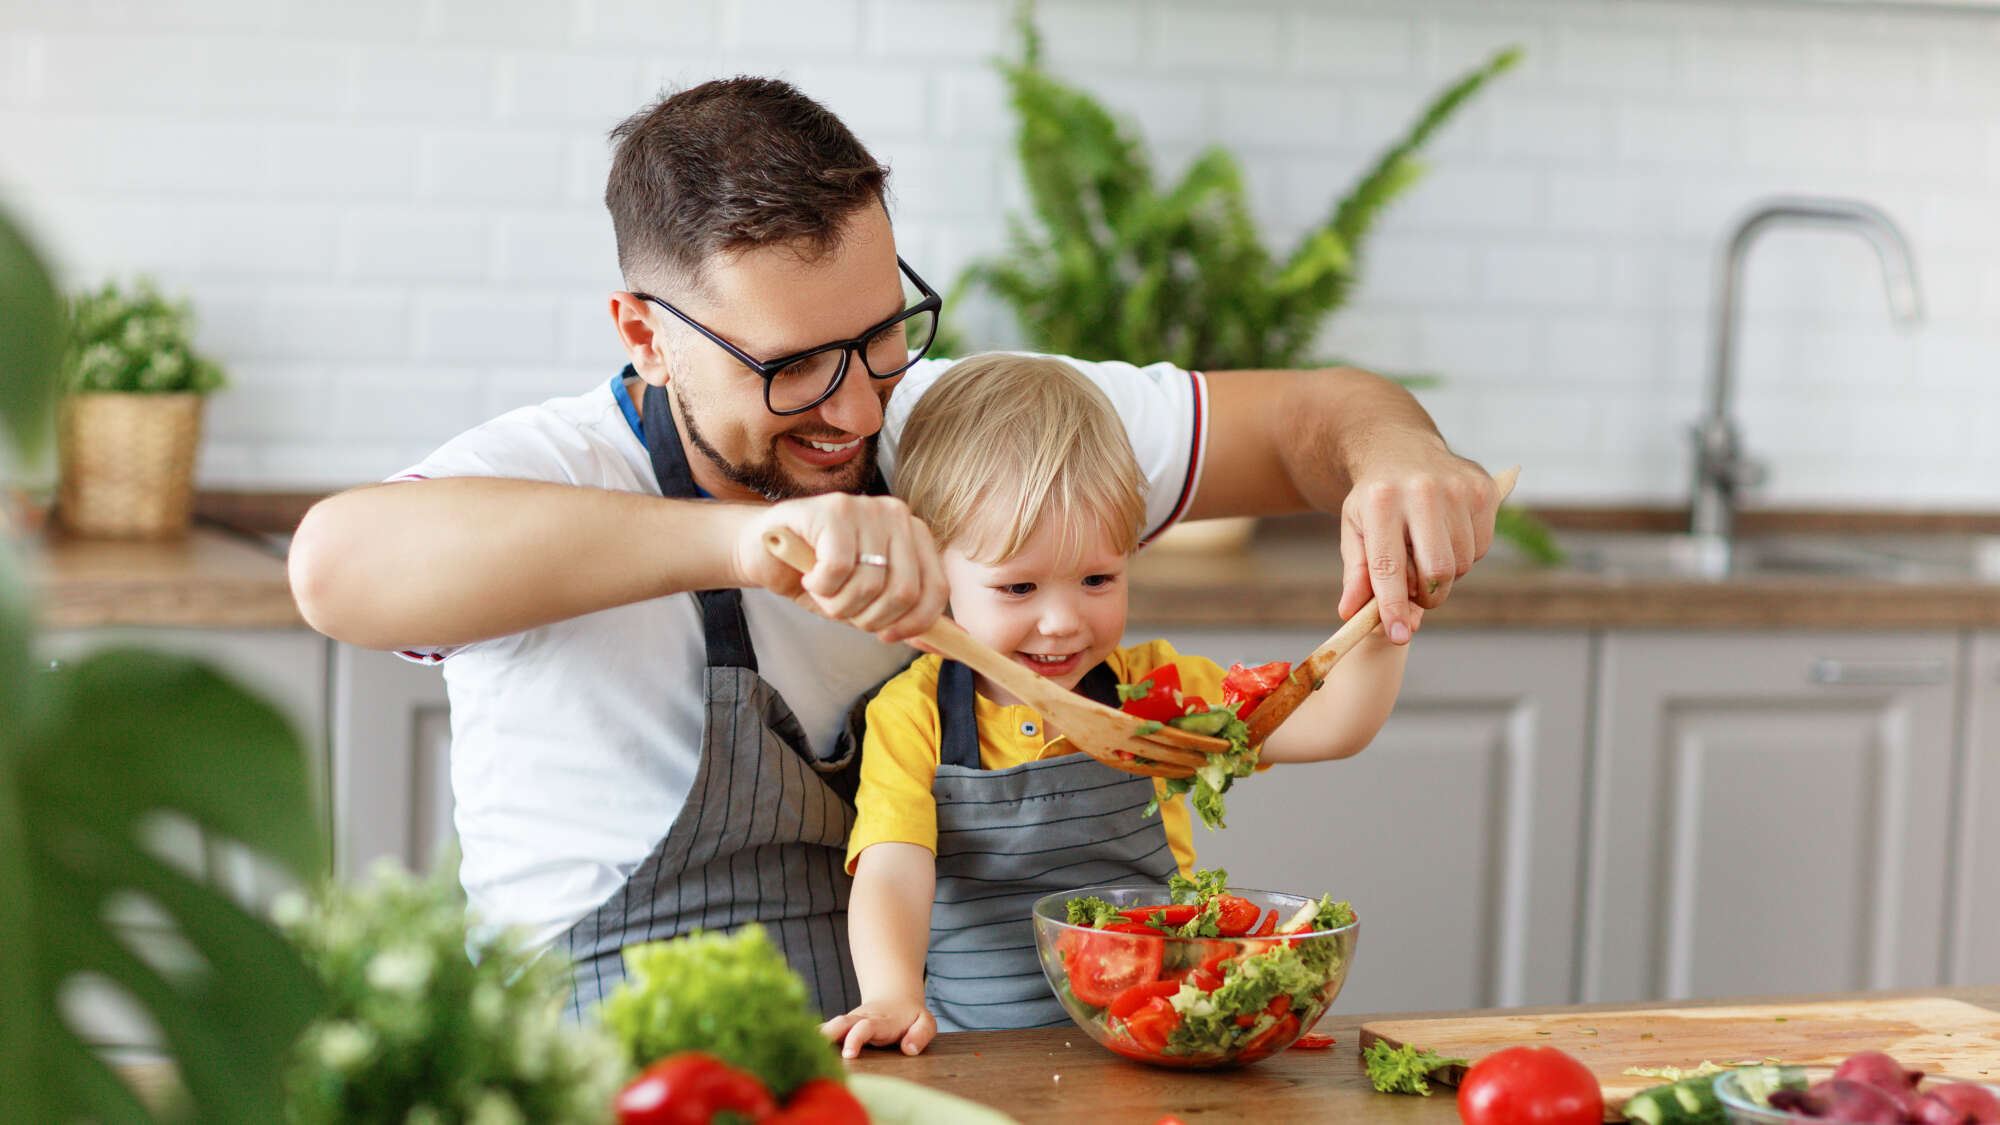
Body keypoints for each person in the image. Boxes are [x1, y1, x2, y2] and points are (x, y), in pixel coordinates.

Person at [286, 76, 1504, 1021]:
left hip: (911, 1054)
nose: (859, 411)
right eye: (790, 367)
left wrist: (1395, 459)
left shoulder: (973, 426)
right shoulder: (551, 469)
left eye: (881, 335)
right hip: (611, 1059)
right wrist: (748, 540)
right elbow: (335, 567)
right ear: (643, 335)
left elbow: (1315, 417)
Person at [816, 354, 1407, 1056]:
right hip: (978, 1056)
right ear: (936, 568)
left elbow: (1333, 723)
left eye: (1098, 577)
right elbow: (893, 866)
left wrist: (1388, 613)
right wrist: (890, 994)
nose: (1063, 621)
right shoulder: (913, 714)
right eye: (1018, 588)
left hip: (1154, 1039)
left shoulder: (1158, 689)